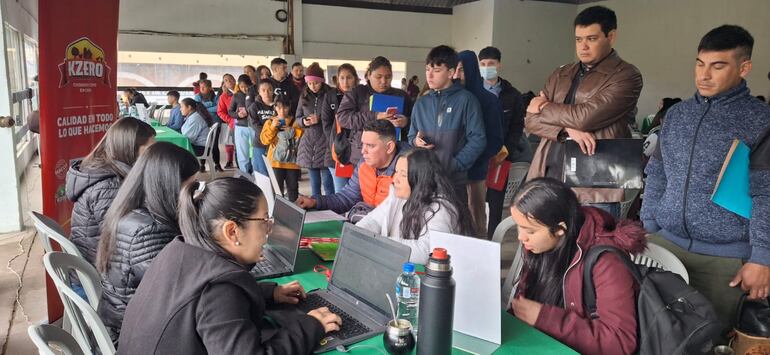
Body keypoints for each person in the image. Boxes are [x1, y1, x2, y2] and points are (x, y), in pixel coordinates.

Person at [641, 25, 770, 331]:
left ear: (744, 68)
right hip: (665, 244)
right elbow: (657, 172)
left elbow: (766, 193)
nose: (704, 75)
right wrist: (648, 227)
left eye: (718, 66)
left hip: (724, 260)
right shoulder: (676, 115)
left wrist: (763, 257)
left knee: (713, 339)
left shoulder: (760, 120)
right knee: (657, 334)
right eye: (700, 64)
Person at [117, 178, 341, 354]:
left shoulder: (181, 250)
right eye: (264, 221)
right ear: (232, 231)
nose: (269, 231)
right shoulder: (220, 289)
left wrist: (270, 293)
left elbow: (197, 302)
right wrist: (311, 325)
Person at [524, 6, 643, 218]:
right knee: (552, 247)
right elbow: (530, 121)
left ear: (611, 36)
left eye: (592, 38)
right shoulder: (561, 73)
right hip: (549, 173)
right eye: (579, 40)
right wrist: (567, 131)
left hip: (596, 181)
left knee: (594, 248)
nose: (583, 47)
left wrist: (543, 106)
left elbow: (585, 117)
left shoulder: (626, 75)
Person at [509, 178, 644, 355]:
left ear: (560, 229)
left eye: (530, 231)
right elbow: (523, 307)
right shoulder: (538, 246)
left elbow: (619, 341)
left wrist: (545, 318)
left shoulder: (607, 262)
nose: (521, 237)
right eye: (519, 227)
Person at [95, 142, 199, 343]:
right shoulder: (149, 231)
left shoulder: (130, 210)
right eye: (190, 186)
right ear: (168, 186)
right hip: (137, 338)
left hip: (123, 321)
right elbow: (186, 295)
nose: (193, 195)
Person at [356, 148, 473, 264]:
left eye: (403, 175)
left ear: (420, 179)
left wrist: (378, 243)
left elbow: (426, 251)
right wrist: (358, 235)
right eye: (396, 172)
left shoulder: (440, 208)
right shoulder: (398, 196)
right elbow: (373, 220)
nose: (395, 179)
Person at [65, 118, 156, 265]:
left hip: (94, 258)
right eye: (150, 150)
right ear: (130, 149)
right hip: (99, 272)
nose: (153, 156)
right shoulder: (109, 186)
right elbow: (126, 238)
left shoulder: (104, 168)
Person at [408, 45, 486, 204]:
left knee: (453, 225)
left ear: (451, 72)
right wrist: (416, 142)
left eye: (436, 71)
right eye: (427, 69)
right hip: (423, 181)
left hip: (453, 181)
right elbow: (411, 135)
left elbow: (478, 139)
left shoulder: (466, 100)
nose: (429, 75)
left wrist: (456, 164)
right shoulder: (421, 103)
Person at [296, 120, 407, 219]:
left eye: (370, 146)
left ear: (389, 147)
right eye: (363, 144)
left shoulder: (409, 172)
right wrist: (315, 202)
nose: (363, 151)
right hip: (368, 228)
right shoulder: (364, 163)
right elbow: (347, 197)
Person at [478, 46, 530, 239]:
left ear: (499, 64)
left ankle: (492, 242)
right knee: (472, 203)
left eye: (490, 64)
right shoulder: (472, 92)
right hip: (475, 158)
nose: (486, 67)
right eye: (482, 64)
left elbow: (517, 126)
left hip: (501, 158)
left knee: (495, 203)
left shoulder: (512, 95)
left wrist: (506, 148)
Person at [457, 50, 504, 238]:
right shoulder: (452, 98)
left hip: (475, 173)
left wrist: (469, 158)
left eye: (461, 70)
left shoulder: (488, 100)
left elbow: (495, 140)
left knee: (475, 222)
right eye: (454, 70)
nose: (456, 75)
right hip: (452, 173)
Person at [337, 56, 412, 166]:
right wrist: (375, 116)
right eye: (378, 77)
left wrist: (406, 122)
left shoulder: (401, 95)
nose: (383, 81)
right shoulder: (357, 93)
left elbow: (416, 121)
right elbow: (343, 117)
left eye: (388, 77)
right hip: (363, 155)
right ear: (368, 75)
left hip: (393, 155)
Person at [297, 63, 336, 196]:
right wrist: (304, 121)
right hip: (309, 143)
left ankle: (331, 207)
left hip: (325, 141)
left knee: (327, 181)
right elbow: (297, 118)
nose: (312, 86)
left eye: (316, 83)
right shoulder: (303, 95)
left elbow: (336, 117)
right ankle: (315, 206)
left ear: (322, 81)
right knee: (314, 182)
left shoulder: (331, 94)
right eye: (309, 83)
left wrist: (320, 119)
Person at [260, 94, 303, 202]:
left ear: (289, 107)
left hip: (292, 162)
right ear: (275, 107)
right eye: (279, 107)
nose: (282, 111)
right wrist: (272, 127)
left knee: (293, 189)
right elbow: (264, 141)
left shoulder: (296, 122)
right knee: (276, 190)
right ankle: (278, 214)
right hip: (275, 162)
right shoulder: (270, 122)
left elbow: (302, 138)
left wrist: (292, 130)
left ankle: (295, 213)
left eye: (285, 107)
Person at [329, 63, 360, 191]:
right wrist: (337, 142)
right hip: (337, 149)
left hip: (358, 150)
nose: (345, 82)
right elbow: (326, 124)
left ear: (356, 79)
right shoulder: (330, 96)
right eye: (342, 78)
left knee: (358, 194)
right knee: (340, 192)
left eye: (349, 77)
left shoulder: (362, 96)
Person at [248, 80, 277, 176]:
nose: (266, 93)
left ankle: (274, 191)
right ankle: (264, 191)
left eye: (269, 90)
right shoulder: (254, 106)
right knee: (262, 172)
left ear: (273, 91)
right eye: (263, 90)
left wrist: (272, 133)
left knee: (275, 172)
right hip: (259, 143)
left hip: (275, 143)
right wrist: (268, 132)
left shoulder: (278, 106)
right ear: (259, 92)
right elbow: (254, 124)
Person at [195, 79, 223, 171]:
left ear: (210, 87)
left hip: (215, 124)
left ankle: (217, 164)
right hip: (203, 125)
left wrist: (205, 107)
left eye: (204, 87)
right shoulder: (197, 97)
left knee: (215, 145)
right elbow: (198, 108)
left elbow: (218, 108)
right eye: (200, 87)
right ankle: (202, 165)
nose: (201, 89)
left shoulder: (216, 97)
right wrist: (211, 105)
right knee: (203, 144)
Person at [230, 74, 255, 174]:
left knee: (254, 153)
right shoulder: (236, 96)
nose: (244, 88)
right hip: (241, 127)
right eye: (241, 87)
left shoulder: (256, 94)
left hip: (254, 127)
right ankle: (244, 174)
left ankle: (255, 174)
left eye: (246, 86)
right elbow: (230, 111)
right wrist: (238, 115)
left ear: (250, 85)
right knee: (242, 153)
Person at [180, 98, 214, 170]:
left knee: (174, 151)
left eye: (182, 106)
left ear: (189, 107)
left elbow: (189, 139)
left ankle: (184, 175)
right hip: (197, 145)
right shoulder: (192, 116)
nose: (180, 109)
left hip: (200, 148)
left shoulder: (195, 118)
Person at [217, 73, 237, 169]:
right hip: (231, 123)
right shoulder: (223, 96)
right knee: (229, 142)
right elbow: (220, 111)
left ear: (234, 80)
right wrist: (229, 120)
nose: (229, 81)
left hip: (245, 123)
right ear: (224, 83)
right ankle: (230, 161)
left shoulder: (241, 91)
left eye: (230, 79)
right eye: (226, 80)